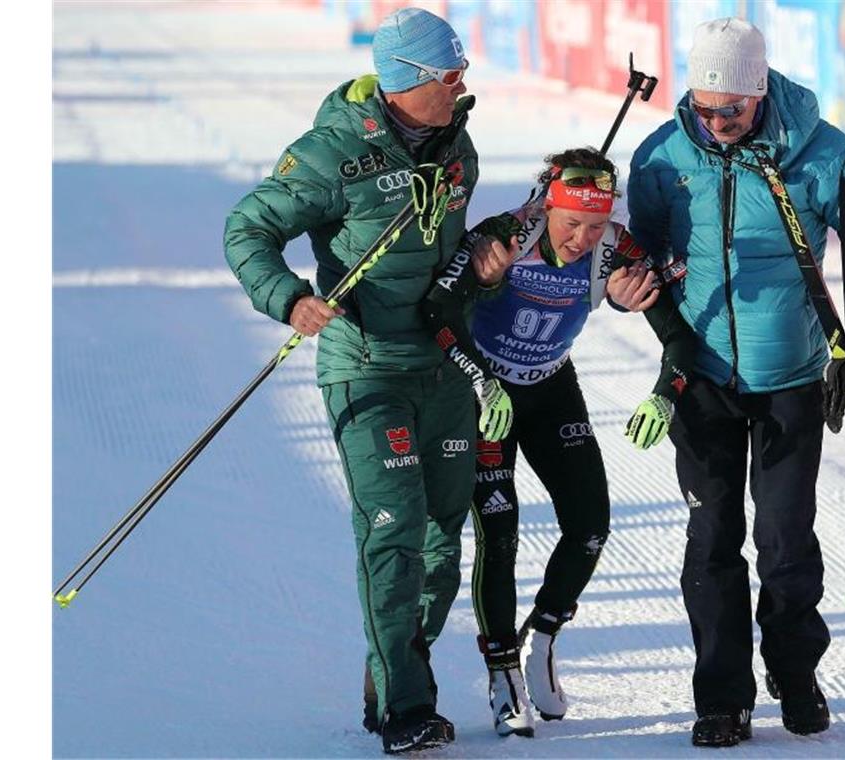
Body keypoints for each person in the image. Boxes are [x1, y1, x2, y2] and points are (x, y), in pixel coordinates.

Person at [223, 8, 499, 754]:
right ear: (408, 81)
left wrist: (482, 266)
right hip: (365, 368)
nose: (462, 84)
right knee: (394, 534)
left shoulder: (456, 145)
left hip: (443, 366)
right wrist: (290, 298)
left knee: (446, 540)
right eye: (450, 75)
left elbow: (450, 255)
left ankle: (394, 666)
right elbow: (247, 229)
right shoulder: (330, 152)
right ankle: (409, 708)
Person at [627, 17, 845, 748]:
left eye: (734, 111)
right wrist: (627, 281)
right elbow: (641, 252)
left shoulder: (822, 155)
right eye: (704, 107)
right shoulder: (660, 156)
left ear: (761, 93)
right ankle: (721, 693)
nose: (716, 124)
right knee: (712, 536)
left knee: (785, 539)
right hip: (701, 372)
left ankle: (794, 666)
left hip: (791, 375)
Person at [423, 147, 695, 738]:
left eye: (595, 225)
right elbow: (437, 309)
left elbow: (679, 338)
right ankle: (502, 676)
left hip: (551, 389)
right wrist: (479, 374)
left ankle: (542, 637)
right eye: (571, 222)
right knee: (500, 534)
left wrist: (664, 394)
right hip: (484, 393)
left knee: (591, 524)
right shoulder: (505, 236)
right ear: (548, 205)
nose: (581, 238)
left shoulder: (615, 250)